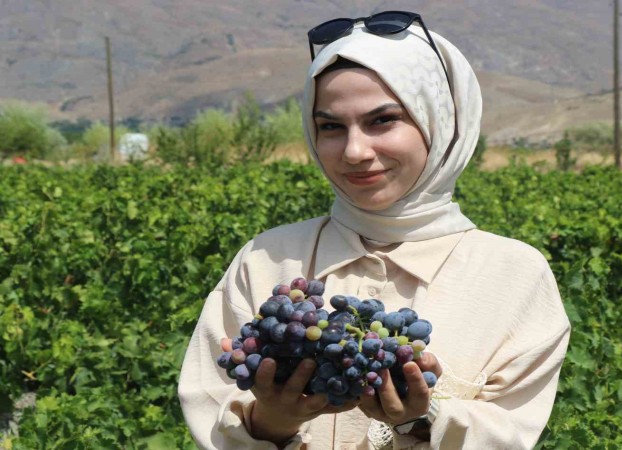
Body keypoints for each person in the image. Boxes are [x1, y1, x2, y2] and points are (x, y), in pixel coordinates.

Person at [178, 11, 570, 450]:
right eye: (331, 126)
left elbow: (511, 435)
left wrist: (424, 419)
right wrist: (271, 422)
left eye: (382, 120)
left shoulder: (514, 274)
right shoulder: (265, 258)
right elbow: (209, 411)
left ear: (440, 123)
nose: (354, 151)